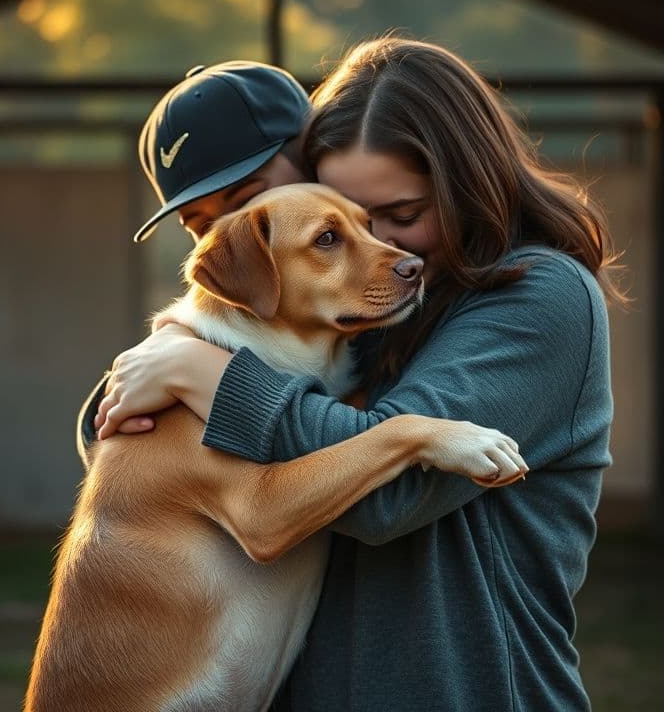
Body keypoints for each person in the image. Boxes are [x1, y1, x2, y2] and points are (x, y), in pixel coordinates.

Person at [95, 37, 625, 711]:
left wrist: (201, 374)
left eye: (398, 217)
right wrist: (161, 376)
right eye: (341, 226)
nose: (380, 250)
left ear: (465, 182)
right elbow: (119, 439)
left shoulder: (542, 299)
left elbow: (385, 499)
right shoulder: (347, 315)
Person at [77, 59, 310, 464]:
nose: (226, 239)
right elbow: (94, 436)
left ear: (312, 157)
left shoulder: (402, 281)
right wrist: (148, 368)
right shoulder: (230, 302)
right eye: (201, 226)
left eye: (244, 203)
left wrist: (191, 370)